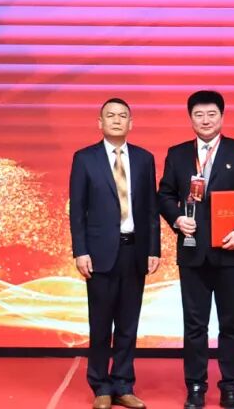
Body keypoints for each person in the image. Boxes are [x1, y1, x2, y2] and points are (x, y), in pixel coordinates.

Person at [158, 91, 234, 409]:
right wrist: (177, 219)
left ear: (222, 116)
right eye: (199, 115)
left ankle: (230, 387)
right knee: (195, 326)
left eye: (211, 114)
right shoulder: (177, 154)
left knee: (231, 324)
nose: (205, 120)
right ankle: (195, 386)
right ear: (190, 118)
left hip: (231, 251)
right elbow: (164, 195)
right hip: (192, 251)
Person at [69, 98, 161, 409]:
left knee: (128, 324)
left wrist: (153, 249)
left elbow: (151, 210)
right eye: (111, 115)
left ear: (131, 123)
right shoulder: (85, 159)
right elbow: (77, 210)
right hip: (99, 253)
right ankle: (100, 386)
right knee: (100, 324)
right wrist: (80, 251)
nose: (117, 120)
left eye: (123, 116)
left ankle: (123, 384)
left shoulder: (145, 159)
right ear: (100, 123)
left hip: (134, 250)